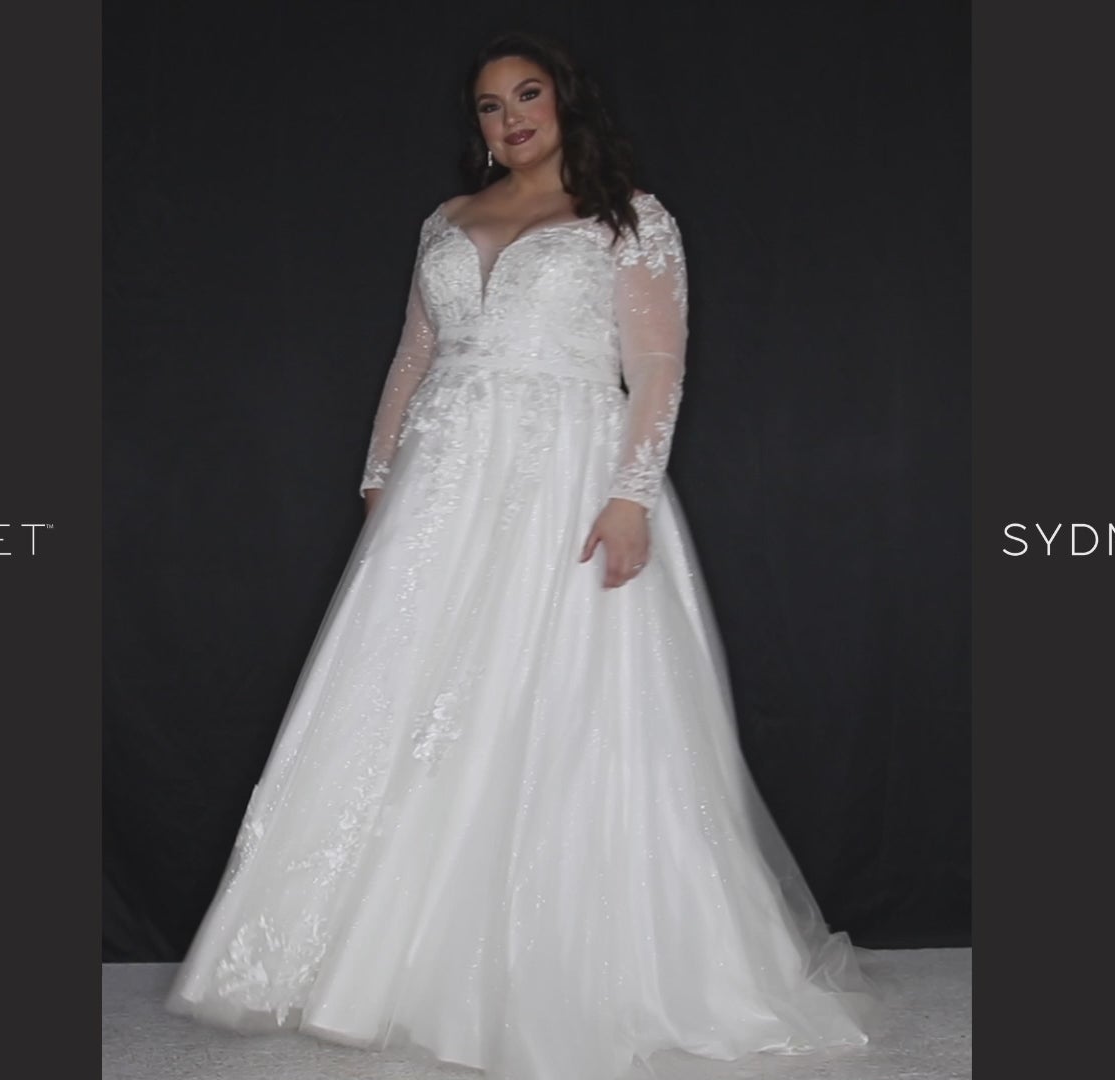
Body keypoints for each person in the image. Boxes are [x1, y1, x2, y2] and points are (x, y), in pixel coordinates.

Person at [167, 30, 876, 1080]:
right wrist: (380, 475)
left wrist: (631, 495)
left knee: (555, 696)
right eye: (491, 106)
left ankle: (549, 973)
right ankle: (369, 970)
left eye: (528, 95)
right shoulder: (446, 220)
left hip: (566, 477)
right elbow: (412, 356)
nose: (511, 119)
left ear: (565, 102)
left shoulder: (629, 217)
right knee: (402, 696)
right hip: (442, 485)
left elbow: (658, 363)